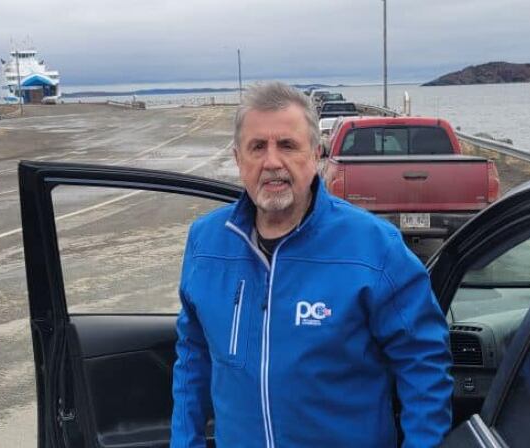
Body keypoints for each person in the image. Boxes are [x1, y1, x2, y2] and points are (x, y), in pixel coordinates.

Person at [170, 81, 452, 448]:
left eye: (287, 145)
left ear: (316, 155)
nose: (272, 162)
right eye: (258, 147)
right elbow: (193, 358)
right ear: (239, 159)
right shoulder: (206, 242)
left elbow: (423, 365)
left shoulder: (373, 246)